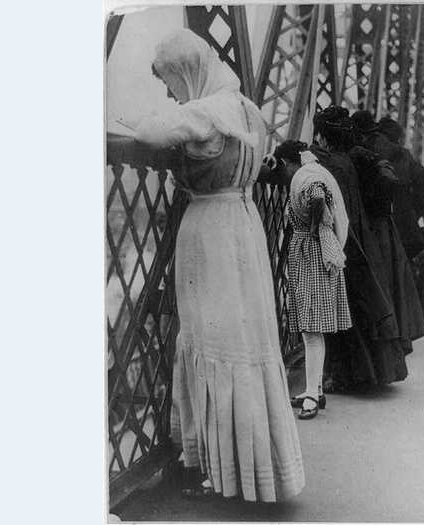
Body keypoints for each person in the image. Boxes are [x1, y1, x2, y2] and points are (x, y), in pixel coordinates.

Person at [133, 30, 304, 502]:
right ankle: (251, 471)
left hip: (209, 230)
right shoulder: (244, 108)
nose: (171, 93)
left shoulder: (208, 112)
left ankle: (220, 472)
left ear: (187, 71)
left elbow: (151, 132)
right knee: (243, 339)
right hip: (242, 225)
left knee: (214, 340)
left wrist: (146, 118)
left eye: (171, 82)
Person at [310, 107, 411, 392]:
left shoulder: (331, 164)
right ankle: (362, 374)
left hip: (344, 241)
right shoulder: (349, 161)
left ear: (324, 137)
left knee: (344, 308)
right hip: (360, 239)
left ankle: (343, 375)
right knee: (359, 306)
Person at [265, 141, 352, 419]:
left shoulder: (307, 176)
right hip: (314, 253)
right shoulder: (315, 170)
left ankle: (312, 397)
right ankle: (314, 388)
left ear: (289, 162)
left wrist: (314, 227)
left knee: (312, 329)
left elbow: (316, 195)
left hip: (311, 253)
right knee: (310, 326)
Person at [357, 113, 424, 322]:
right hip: (402, 225)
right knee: (398, 273)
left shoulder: (365, 146)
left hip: (371, 223)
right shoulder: (403, 155)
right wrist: (415, 212)